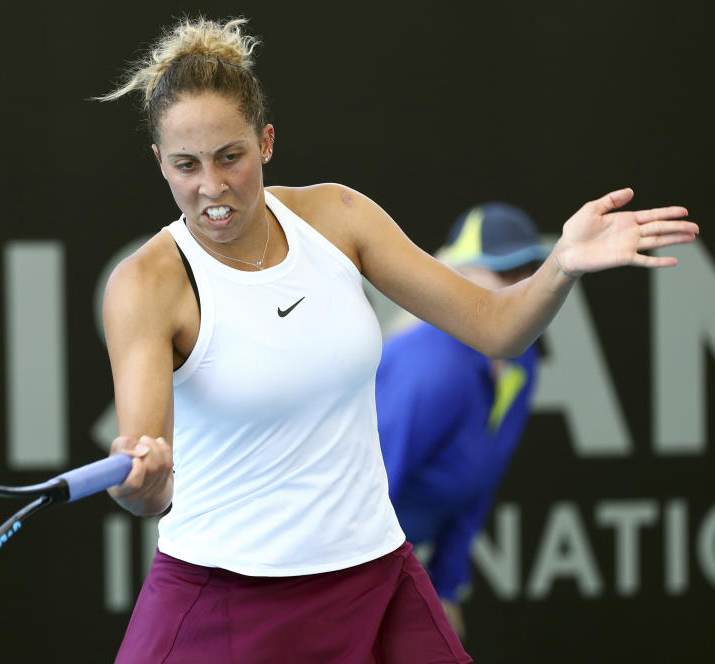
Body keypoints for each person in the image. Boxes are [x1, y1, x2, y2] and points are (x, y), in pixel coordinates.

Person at [96, 16, 696, 663]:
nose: (211, 186)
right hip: (226, 595)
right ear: (159, 162)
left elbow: (497, 327)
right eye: (186, 165)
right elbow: (152, 481)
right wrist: (141, 482)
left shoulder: (339, 218)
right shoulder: (144, 285)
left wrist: (561, 266)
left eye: (230, 157)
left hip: (373, 575)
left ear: (266, 142)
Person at [375, 202, 548, 643]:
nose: (521, 285)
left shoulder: (522, 363)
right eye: (503, 272)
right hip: (337, 568)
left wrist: (446, 587)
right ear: (458, 278)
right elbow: (372, 493)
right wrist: (375, 599)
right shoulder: (433, 370)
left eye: (528, 269)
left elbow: (479, 484)